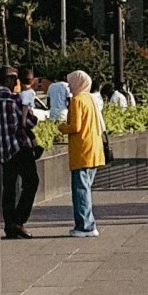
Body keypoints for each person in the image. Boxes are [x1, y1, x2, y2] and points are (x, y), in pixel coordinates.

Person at [0, 66, 40, 239]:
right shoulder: (14, 99)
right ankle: (18, 221)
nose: (17, 81)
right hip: (19, 147)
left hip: (2, 150)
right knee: (31, 182)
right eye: (14, 78)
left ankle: (9, 225)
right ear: (7, 80)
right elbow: (31, 120)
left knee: (9, 188)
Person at [65, 68, 103, 236]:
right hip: (94, 148)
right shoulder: (90, 99)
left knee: (80, 190)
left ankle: (85, 226)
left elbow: (75, 126)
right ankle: (87, 223)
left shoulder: (77, 101)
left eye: (70, 82)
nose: (68, 86)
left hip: (81, 149)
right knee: (86, 188)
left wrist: (60, 127)